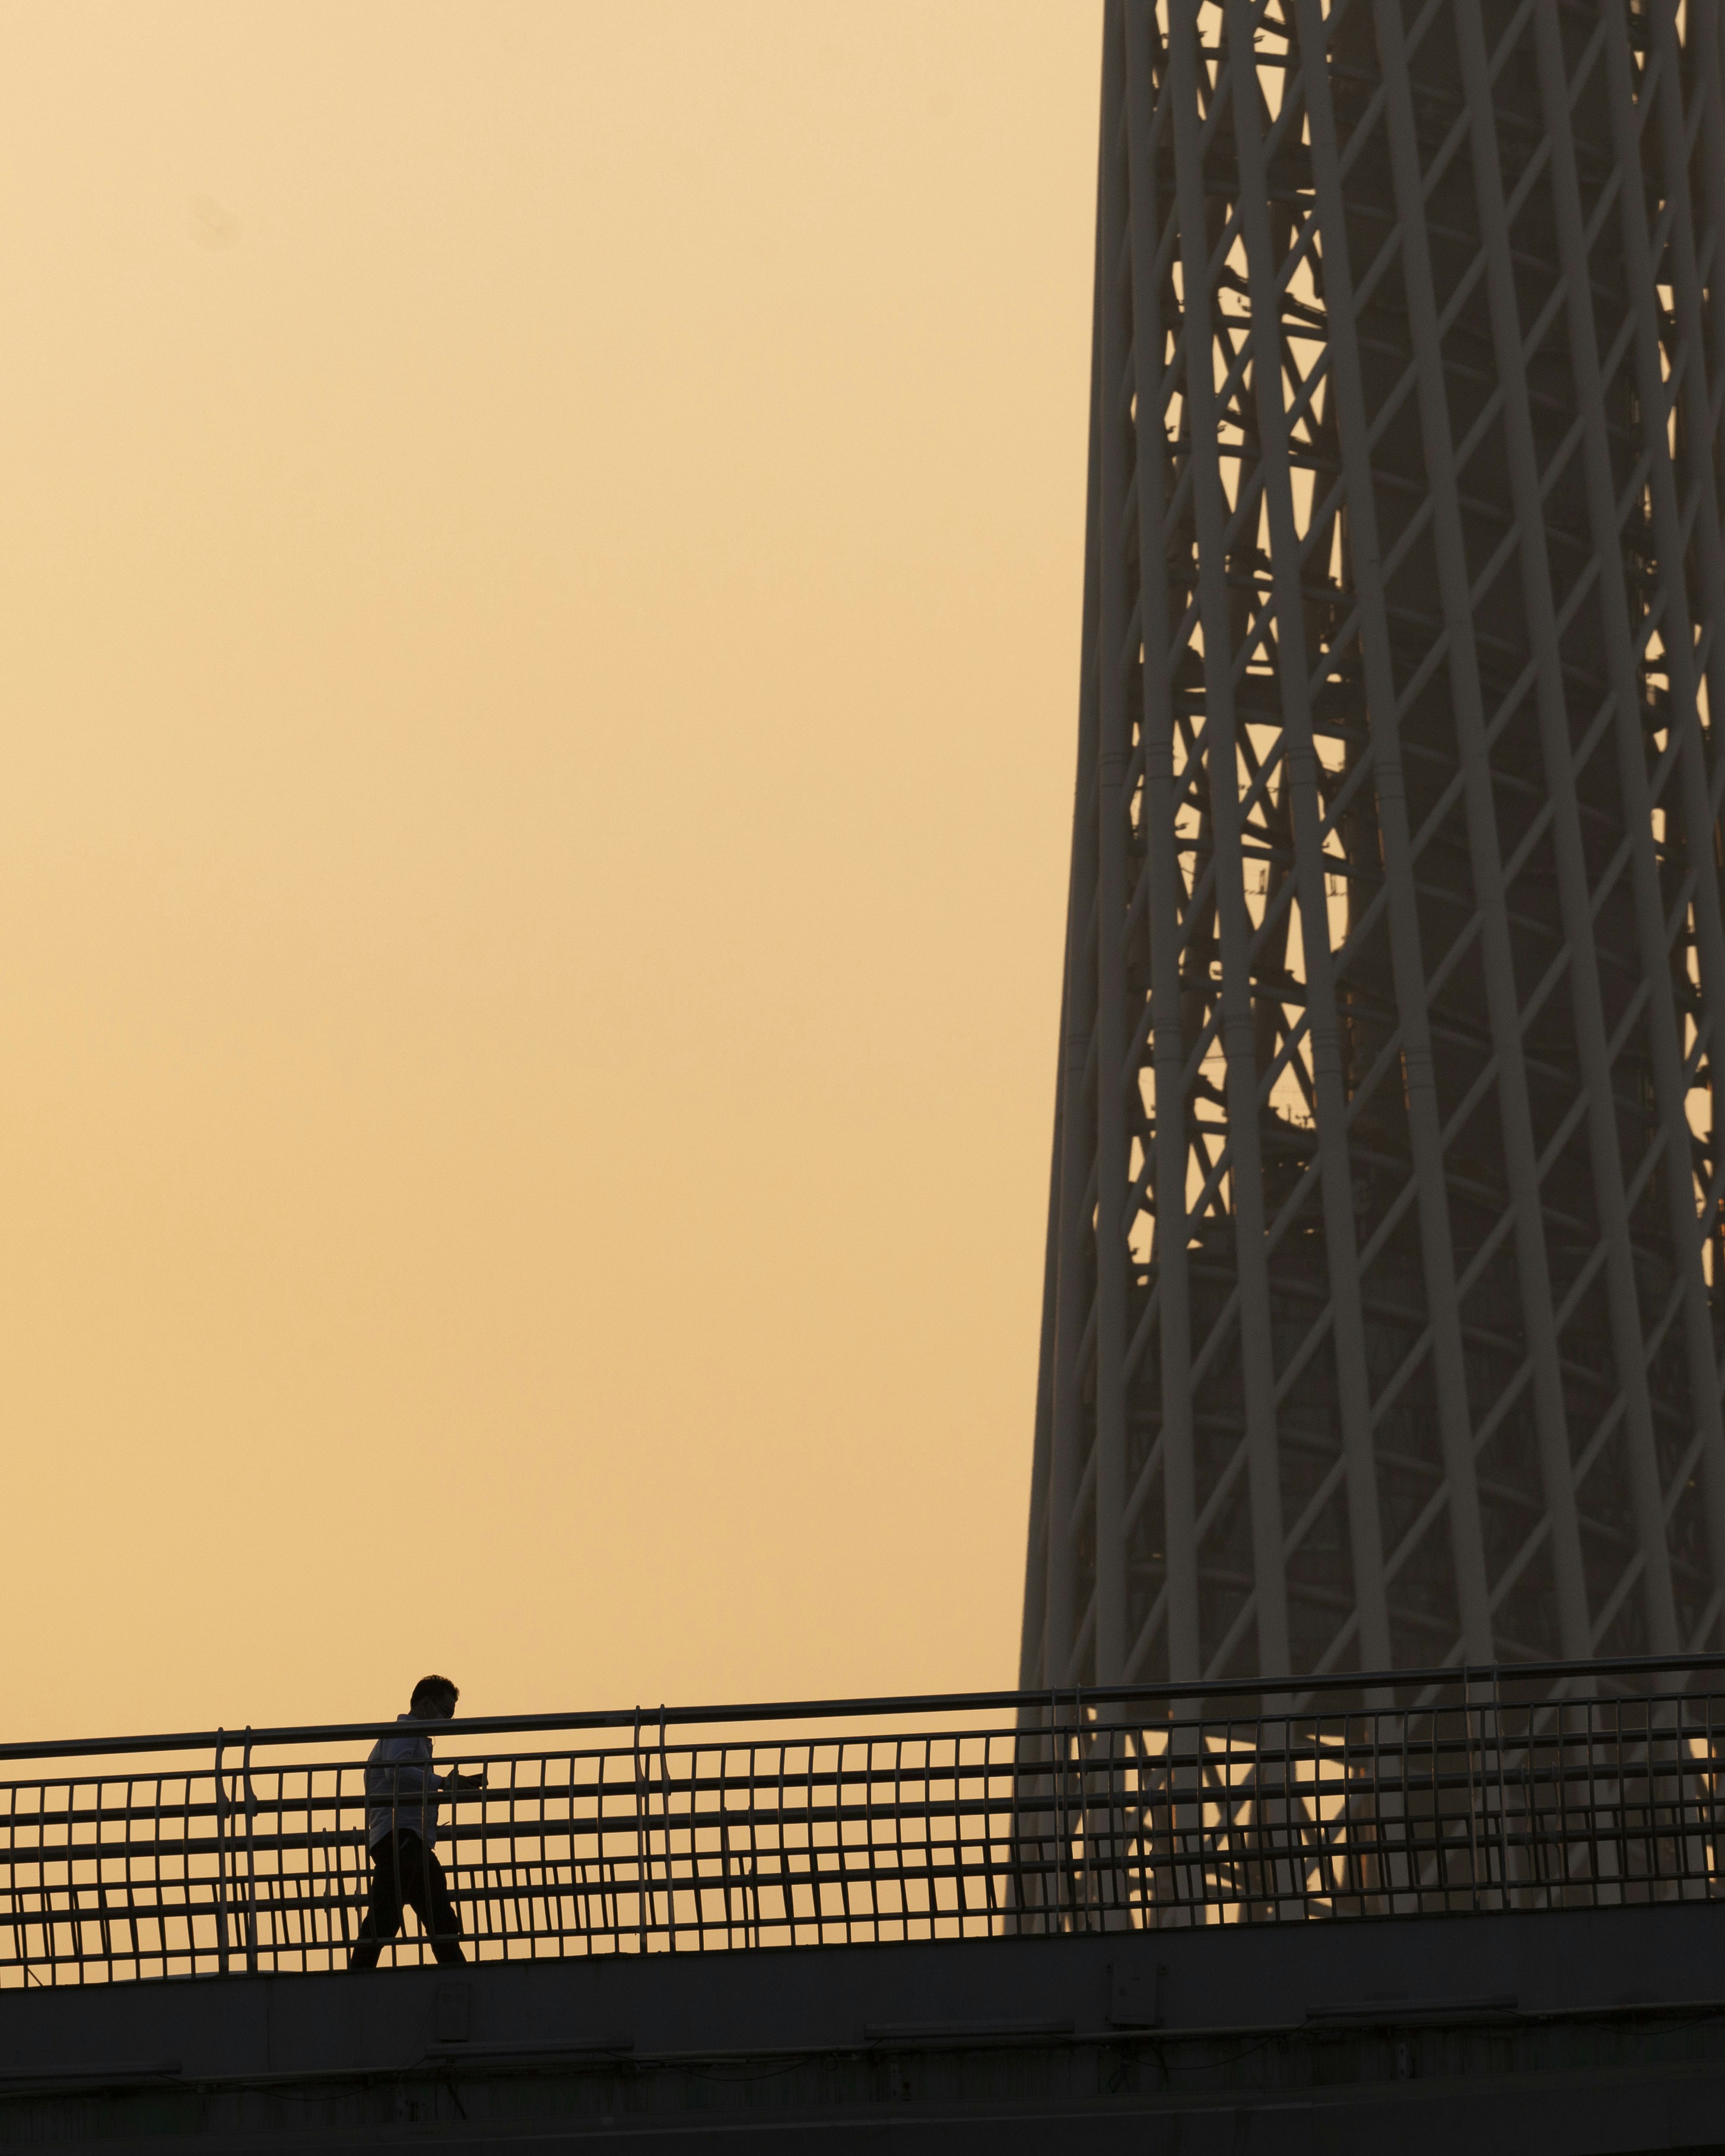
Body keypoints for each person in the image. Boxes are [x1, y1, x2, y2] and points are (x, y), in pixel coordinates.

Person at [349, 1674, 485, 1971]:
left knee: (432, 1915)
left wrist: (446, 1783)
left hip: (409, 1839)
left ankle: (458, 1973)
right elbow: (396, 1773)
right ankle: (354, 1980)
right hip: (399, 1837)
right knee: (392, 1914)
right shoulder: (405, 1732)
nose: (447, 1721)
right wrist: (444, 1782)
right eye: (445, 1713)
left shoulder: (413, 1736)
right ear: (426, 1704)